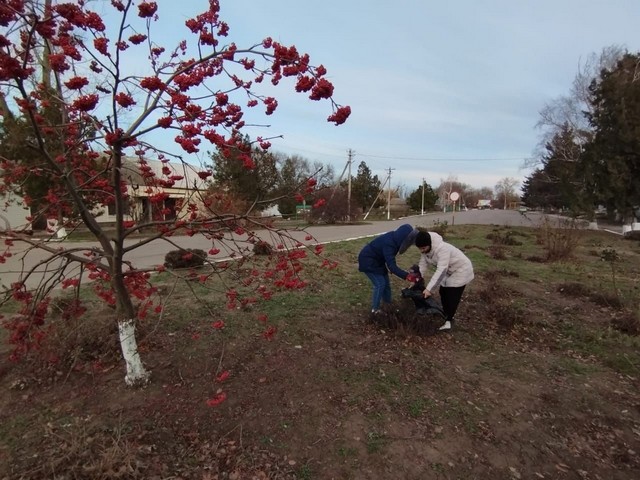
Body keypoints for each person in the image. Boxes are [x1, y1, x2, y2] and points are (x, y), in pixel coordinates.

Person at [358, 224, 430, 314]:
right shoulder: (390, 244)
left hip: (378, 261)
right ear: (404, 239)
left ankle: (388, 305)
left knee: (386, 284)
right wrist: (407, 276)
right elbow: (392, 266)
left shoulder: (394, 239)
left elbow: (389, 261)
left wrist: (391, 267)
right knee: (380, 284)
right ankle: (375, 310)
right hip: (368, 261)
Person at [415, 230, 474, 331]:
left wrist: (429, 289)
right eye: (420, 248)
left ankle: (449, 321)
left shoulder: (442, 249)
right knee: (443, 291)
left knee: (452, 295)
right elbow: (422, 265)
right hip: (450, 271)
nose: (421, 251)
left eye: (423, 248)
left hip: (461, 270)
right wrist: (417, 279)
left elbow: (441, 270)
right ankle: (445, 313)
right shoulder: (426, 249)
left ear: (429, 244)